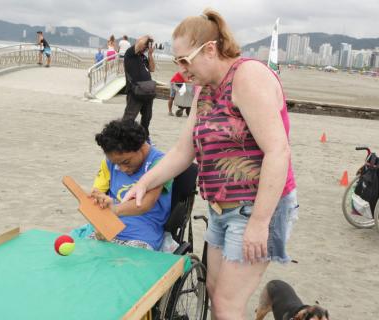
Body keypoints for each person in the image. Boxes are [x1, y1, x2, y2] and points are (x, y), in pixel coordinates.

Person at [123, 9, 297, 320]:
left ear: (210, 49)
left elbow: (278, 151)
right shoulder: (205, 89)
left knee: (227, 307)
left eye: (185, 60)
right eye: (177, 62)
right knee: (217, 299)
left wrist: (259, 223)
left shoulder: (248, 77)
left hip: (256, 208)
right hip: (220, 209)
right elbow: (182, 151)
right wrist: (144, 182)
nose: (181, 70)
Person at [89, 119, 172, 251]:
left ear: (141, 147)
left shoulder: (160, 164)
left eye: (126, 162)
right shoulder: (110, 162)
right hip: (107, 224)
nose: (122, 169)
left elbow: (145, 203)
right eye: (116, 163)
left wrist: (114, 210)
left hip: (142, 230)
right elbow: (96, 192)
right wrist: (98, 203)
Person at [123, 35, 156, 142]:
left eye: (147, 47)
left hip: (147, 91)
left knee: (147, 118)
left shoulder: (143, 57)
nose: (145, 48)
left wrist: (150, 54)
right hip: (135, 91)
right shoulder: (130, 53)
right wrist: (148, 37)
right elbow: (140, 43)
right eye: (146, 46)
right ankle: (123, 138)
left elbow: (152, 68)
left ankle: (144, 138)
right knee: (129, 117)